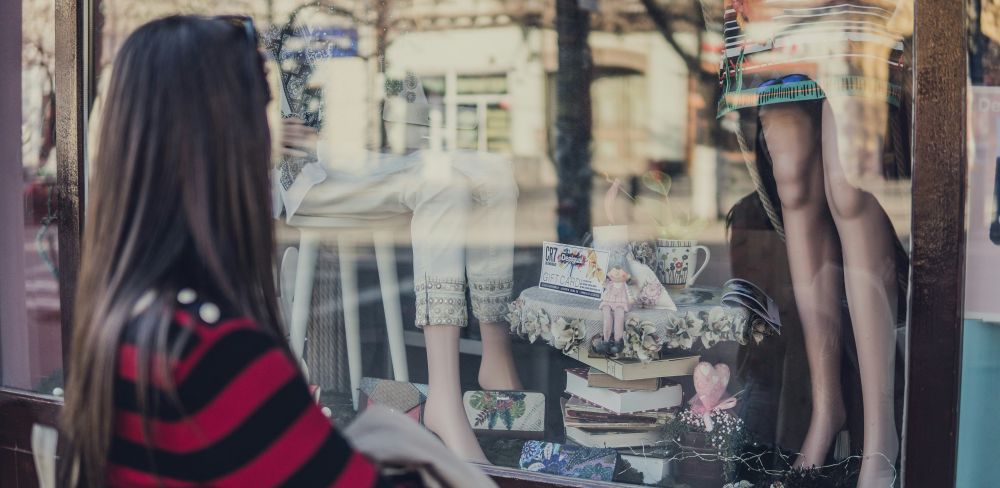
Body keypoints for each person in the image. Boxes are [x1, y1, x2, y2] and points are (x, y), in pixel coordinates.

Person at [60, 15, 451, 487]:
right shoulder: (219, 354)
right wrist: (414, 446)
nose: (276, 142)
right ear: (229, 143)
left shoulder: (121, 321)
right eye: (266, 114)